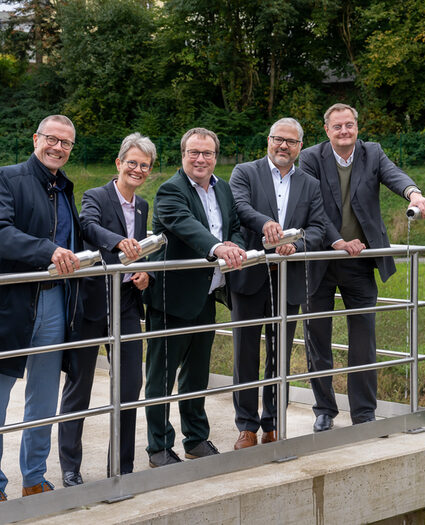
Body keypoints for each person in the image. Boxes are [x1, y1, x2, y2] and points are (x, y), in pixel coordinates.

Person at [299, 103, 425, 432]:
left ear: (357, 127)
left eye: (350, 125)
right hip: (318, 260)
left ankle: (363, 414)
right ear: (326, 130)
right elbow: (313, 207)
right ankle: (324, 410)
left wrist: (413, 193)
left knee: (363, 341)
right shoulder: (311, 158)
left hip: (359, 262)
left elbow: (394, 176)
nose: (344, 131)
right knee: (318, 339)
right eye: (337, 127)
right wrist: (337, 242)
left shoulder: (372, 153)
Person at [143, 127, 246, 465]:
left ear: (216, 156)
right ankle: (158, 447)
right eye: (194, 153)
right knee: (161, 376)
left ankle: (196, 439)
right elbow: (185, 224)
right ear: (183, 155)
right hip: (172, 298)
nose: (201, 159)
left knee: (197, 374)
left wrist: (235, 246)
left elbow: (235, 227)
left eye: (208, 153)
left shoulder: (224, 188)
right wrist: (217, 248)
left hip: (207, 295)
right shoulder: (171, 190)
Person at [58, 133, 155, 486]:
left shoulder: (142, 206)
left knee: (130, 386)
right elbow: (88, 226)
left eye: (144, 165)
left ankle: (122, 465)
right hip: (92, 303)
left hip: (127, 302)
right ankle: (71, 467)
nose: (137, 169)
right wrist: (118, 242)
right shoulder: (96, 195)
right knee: (79, 387)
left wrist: (143, 273)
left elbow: (138, 252)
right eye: (132, 162)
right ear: (118, 163)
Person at [228, 118, 325, 449]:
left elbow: (319, 228)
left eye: (291, 142)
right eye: (277, 140)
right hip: (250, 275)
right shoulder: (245, 172)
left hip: (287, 278)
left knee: (278, 353)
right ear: (268, 140)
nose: (283, 146)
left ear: (300, 146)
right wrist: (267, 223)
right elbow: (238, 207)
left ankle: (272, 423)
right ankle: (247, 426)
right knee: (245, 352)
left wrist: (295, 245)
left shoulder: (310, 184)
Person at [0, 115, 82, 500]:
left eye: (66, 143)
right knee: (0, 395)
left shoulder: (64, 188)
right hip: (11, 302)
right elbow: (2, 233)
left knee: (44, 397)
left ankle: (34, 477)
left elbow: (74, 236)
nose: (58, 148)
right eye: (52, 139)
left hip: (53, 301)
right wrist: (48, 251)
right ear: (36, 138)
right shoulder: (8, 178)